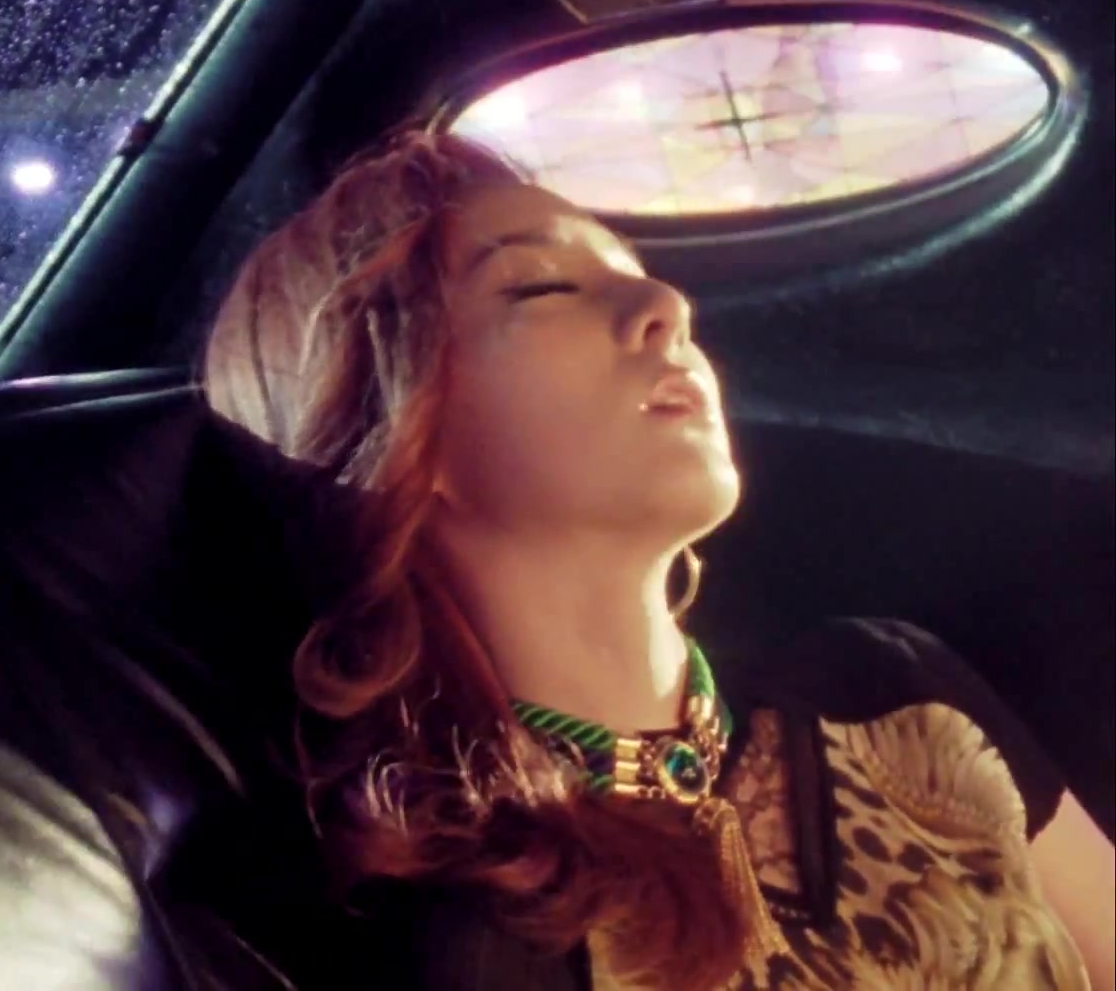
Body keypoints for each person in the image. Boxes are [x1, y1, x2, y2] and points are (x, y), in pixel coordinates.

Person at [199, 128, 1114, 989]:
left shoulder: (899, 697)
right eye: (541, 288)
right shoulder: (473, 939)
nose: (667, 308)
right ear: (391, 428)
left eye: (637, 274)